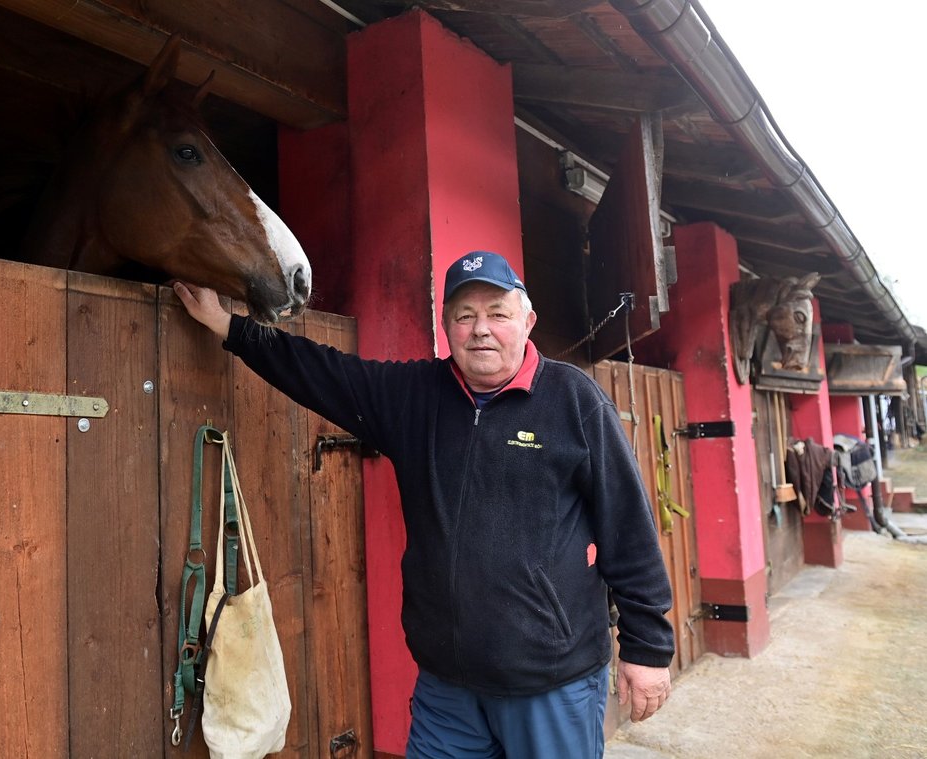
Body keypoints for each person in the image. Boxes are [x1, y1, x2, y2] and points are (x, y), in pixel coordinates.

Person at [174, 250, 674, 758]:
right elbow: (320, 372)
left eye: (498, 314)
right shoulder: (415, 395)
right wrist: (225, 325)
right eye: (465, 316)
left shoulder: (575, 401)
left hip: (549, 682)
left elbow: (628, 526)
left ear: (528, 321)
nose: (481, 330)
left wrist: (647, 648)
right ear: (447, 327)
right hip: (447, 683)